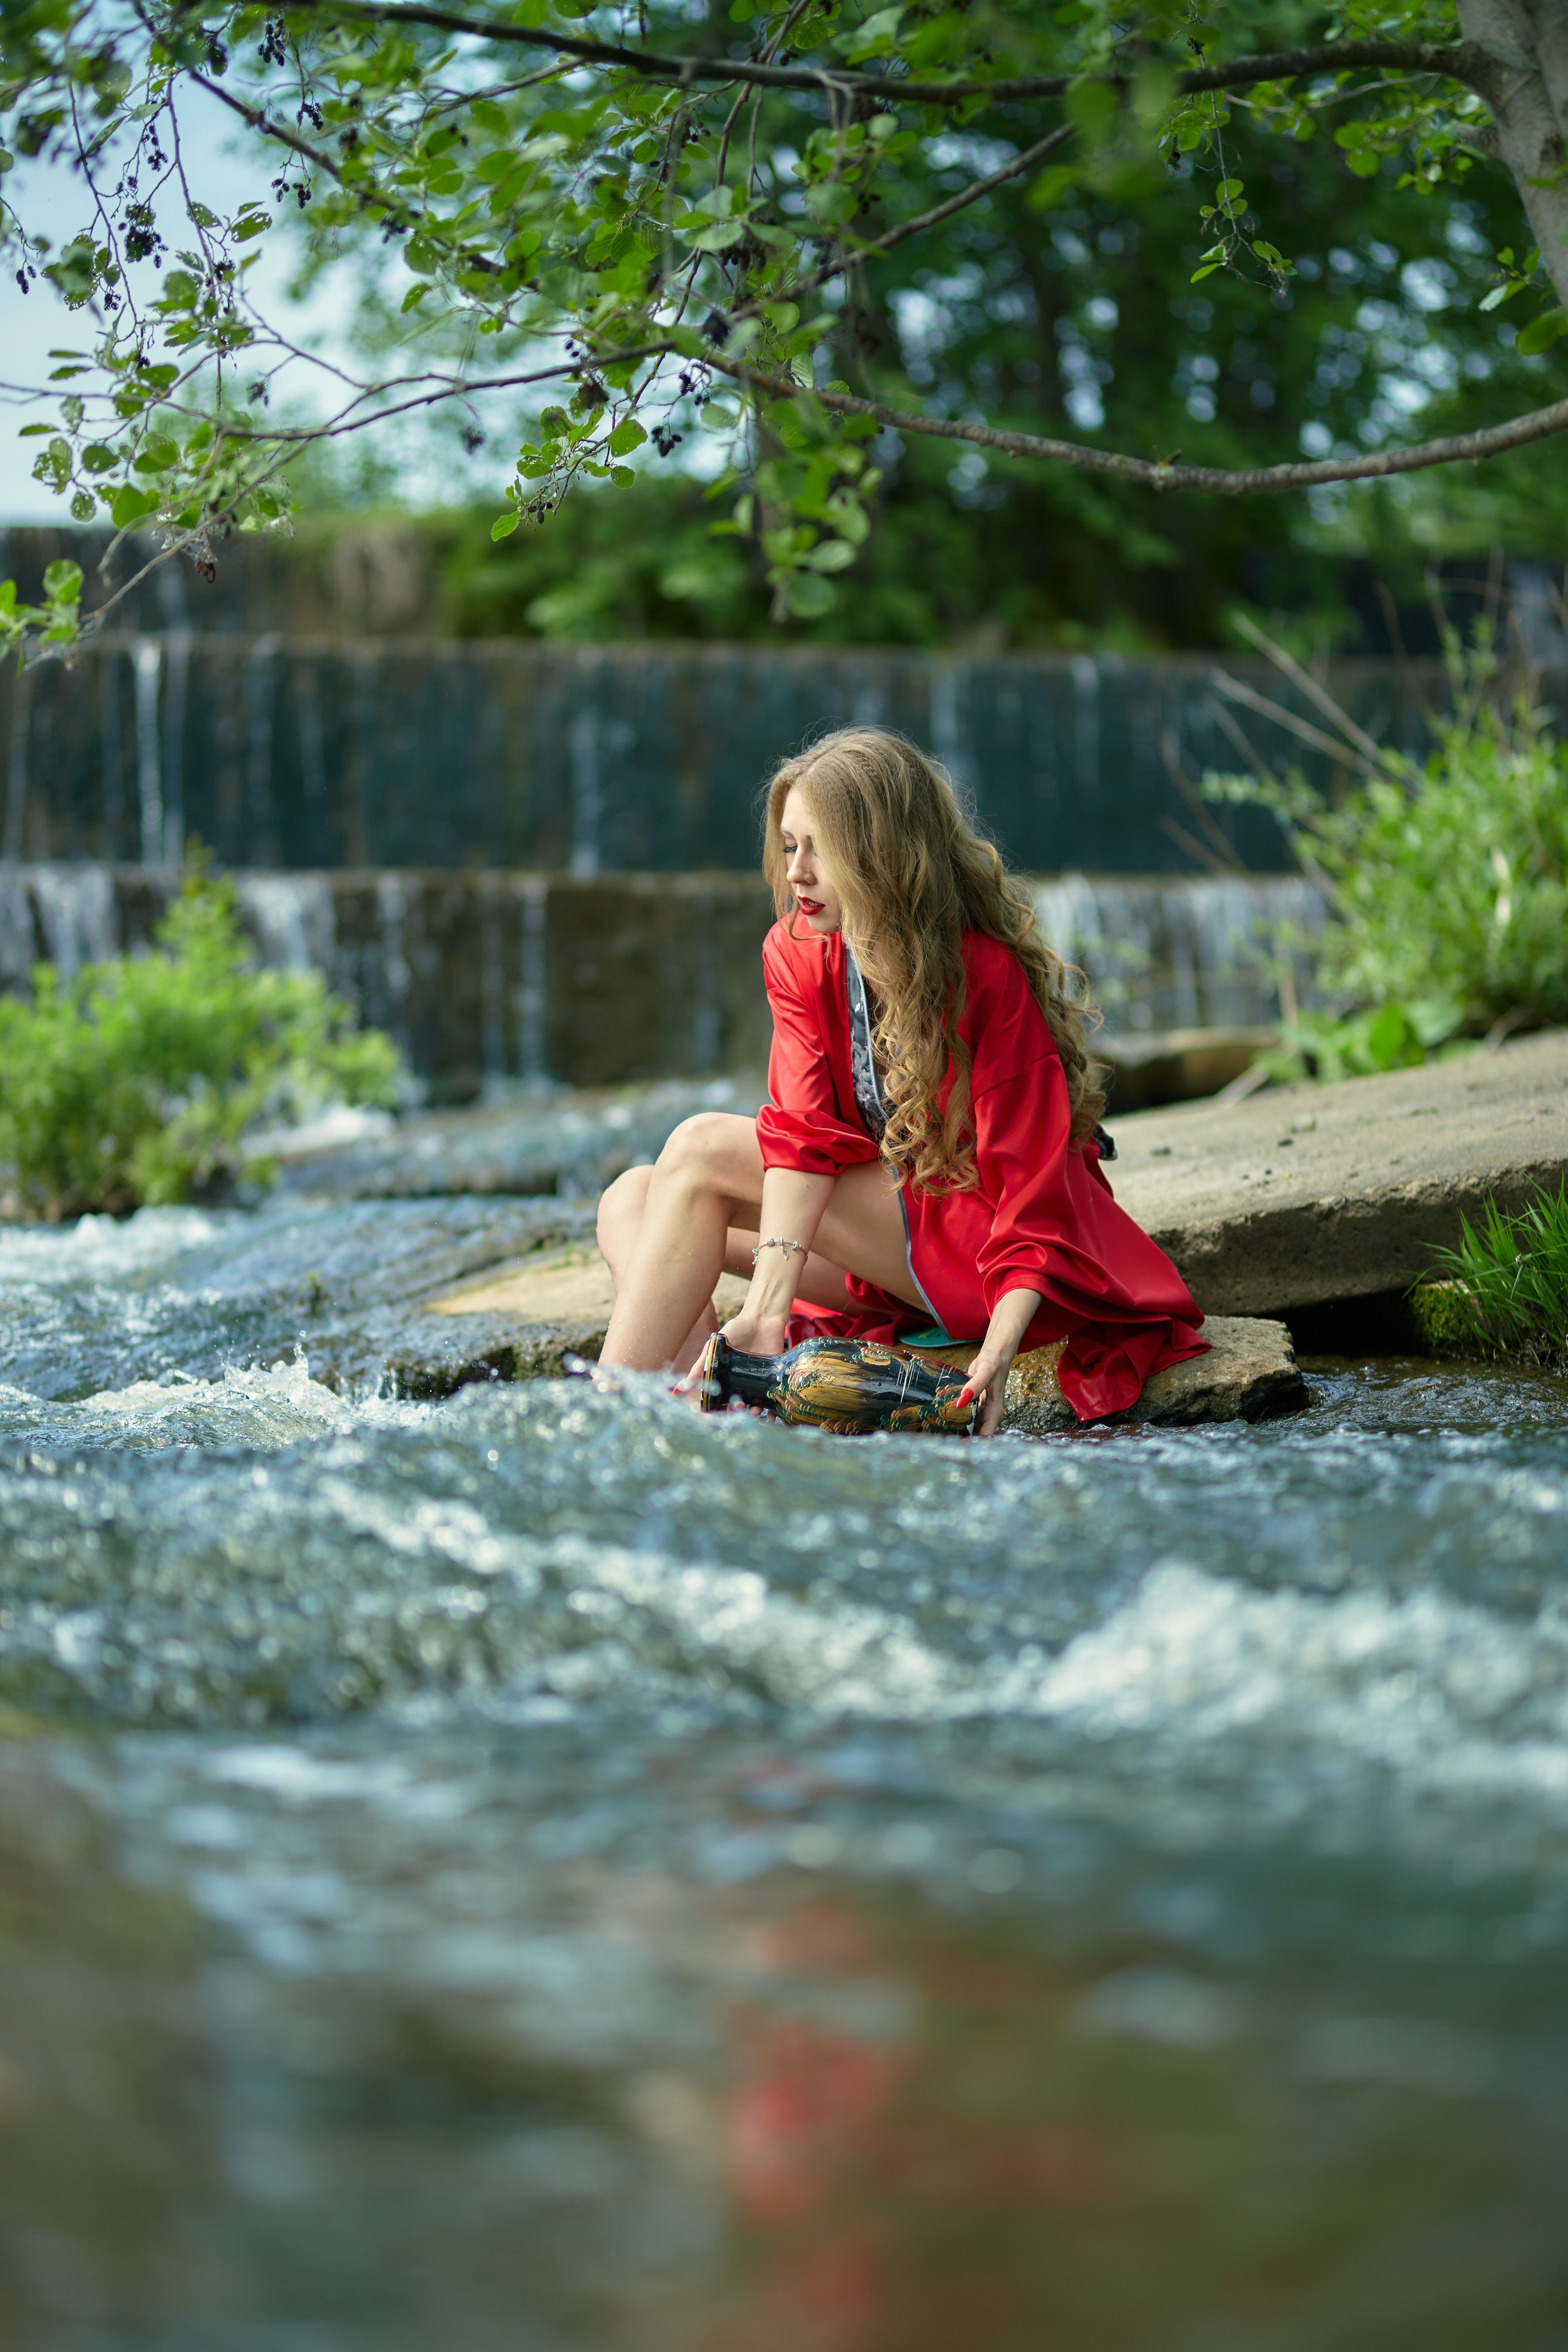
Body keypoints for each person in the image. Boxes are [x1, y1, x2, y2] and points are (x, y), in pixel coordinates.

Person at [597, 728, 1206, 1434]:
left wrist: (998, 1352)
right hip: (887, 1258)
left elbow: (1034, 1199)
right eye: (789, 847)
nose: (797, 873)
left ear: (882, 852)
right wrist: (765, 1309)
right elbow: (802, 1137)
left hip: (986, 1258)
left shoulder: (984, 973)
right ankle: (696, 1411)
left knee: (701, 1148)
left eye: (820, 848)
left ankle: (602, 1425)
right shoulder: (797, 952)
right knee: (630, 1199)